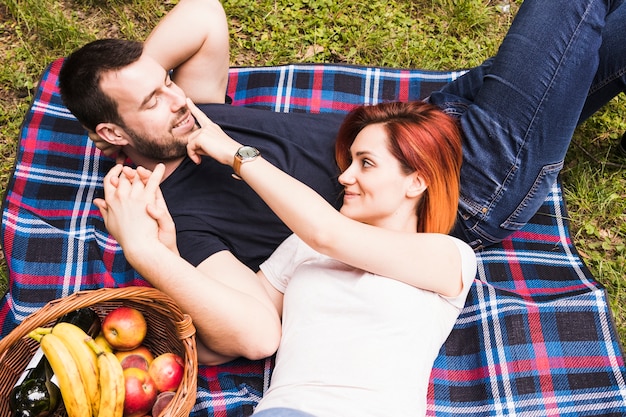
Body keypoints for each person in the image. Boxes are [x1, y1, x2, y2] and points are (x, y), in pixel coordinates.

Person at [58, 0, 626, 363]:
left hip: (434, 116)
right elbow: (256, 335)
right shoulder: (177, 220)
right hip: (465, 177)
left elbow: (203, 13)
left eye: (167, 84)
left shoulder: (191, 116)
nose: (177, 98)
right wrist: (148, 247)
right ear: (110, 131)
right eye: (154, 101)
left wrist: (141, 88)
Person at [98, 98, 478, 417]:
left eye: (365, 163)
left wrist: (236, 154)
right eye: (348, 163)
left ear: (417, 180)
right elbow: (236, 335)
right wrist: (168, 251)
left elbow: (328, 233)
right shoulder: (305, 247)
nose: (344, 177)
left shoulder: (448, 257)